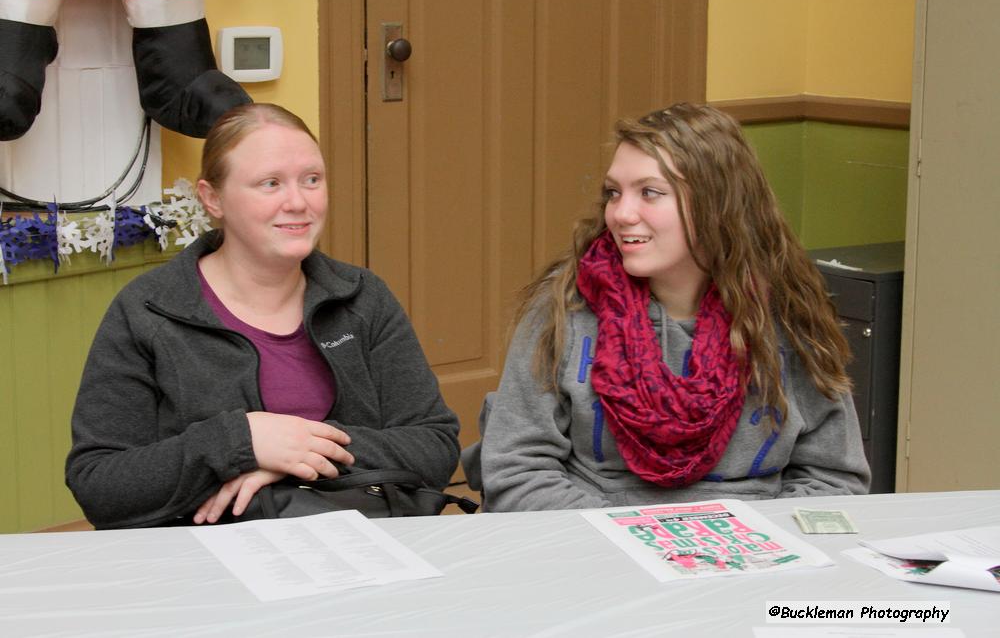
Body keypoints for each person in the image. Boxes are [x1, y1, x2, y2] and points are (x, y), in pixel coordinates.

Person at [66, 103, 460, 529]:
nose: (298, 202)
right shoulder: (147, 311)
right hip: (205, 565)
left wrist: (296, 454)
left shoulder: (362, 298)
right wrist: (241, 441)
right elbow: (99, 484)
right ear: (212, 198)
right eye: (270, 184)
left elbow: (434, 445)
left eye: (312, 180)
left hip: (365, 543)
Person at [476, 103, 870, 511]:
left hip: (752, 549)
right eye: (614, 192)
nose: (621, 214)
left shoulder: (787, 313)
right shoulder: (563, 309)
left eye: (650, 193)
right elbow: (517, 472)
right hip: (596, 545)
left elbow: (833, 478)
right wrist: (635, 542)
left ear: (717, 205)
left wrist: (750, 546)